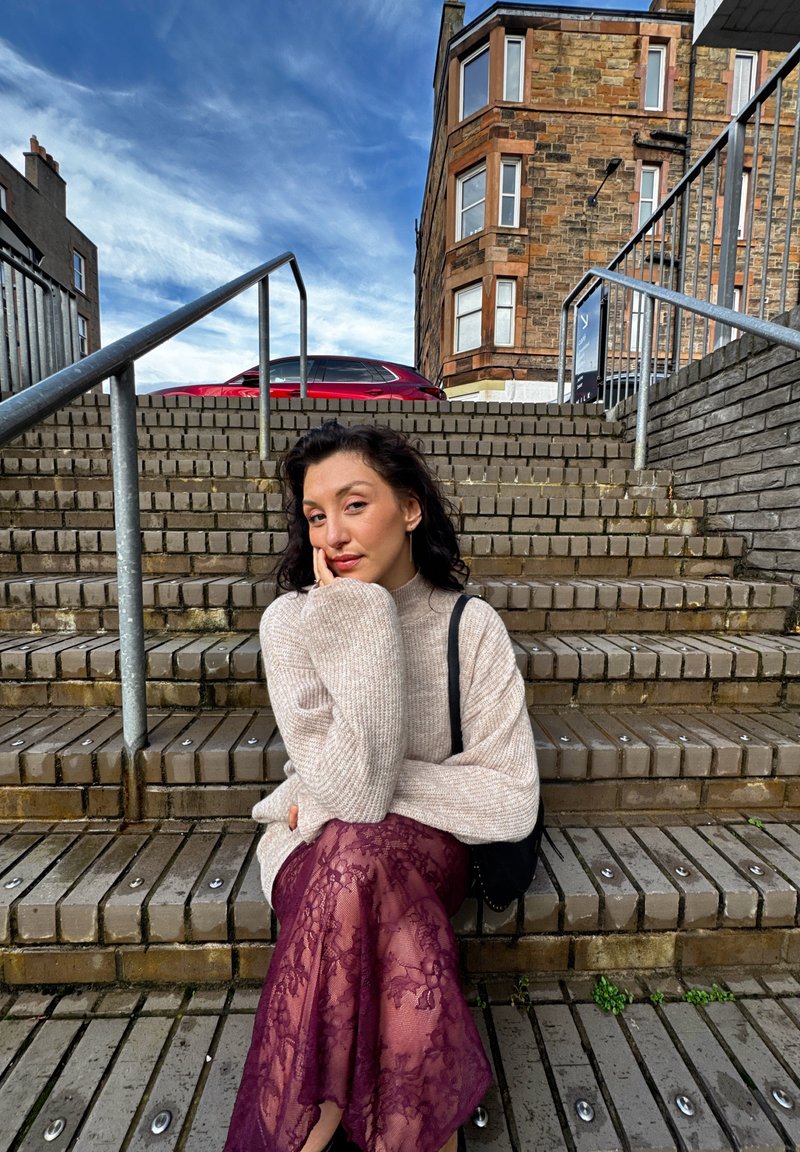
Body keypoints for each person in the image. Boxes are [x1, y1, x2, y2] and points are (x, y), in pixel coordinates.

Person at [225, 420, 539, 1152]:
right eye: (315, 516)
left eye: (355, 504)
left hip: (425, 852)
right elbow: (356, 795)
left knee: (360, 846)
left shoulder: (471, 627)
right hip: (310, 855)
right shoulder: (291, 623)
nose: (332, 533)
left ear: (410, 507)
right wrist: (358, 614)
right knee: (366, 871)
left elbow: (509, 799)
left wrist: (327, 791)